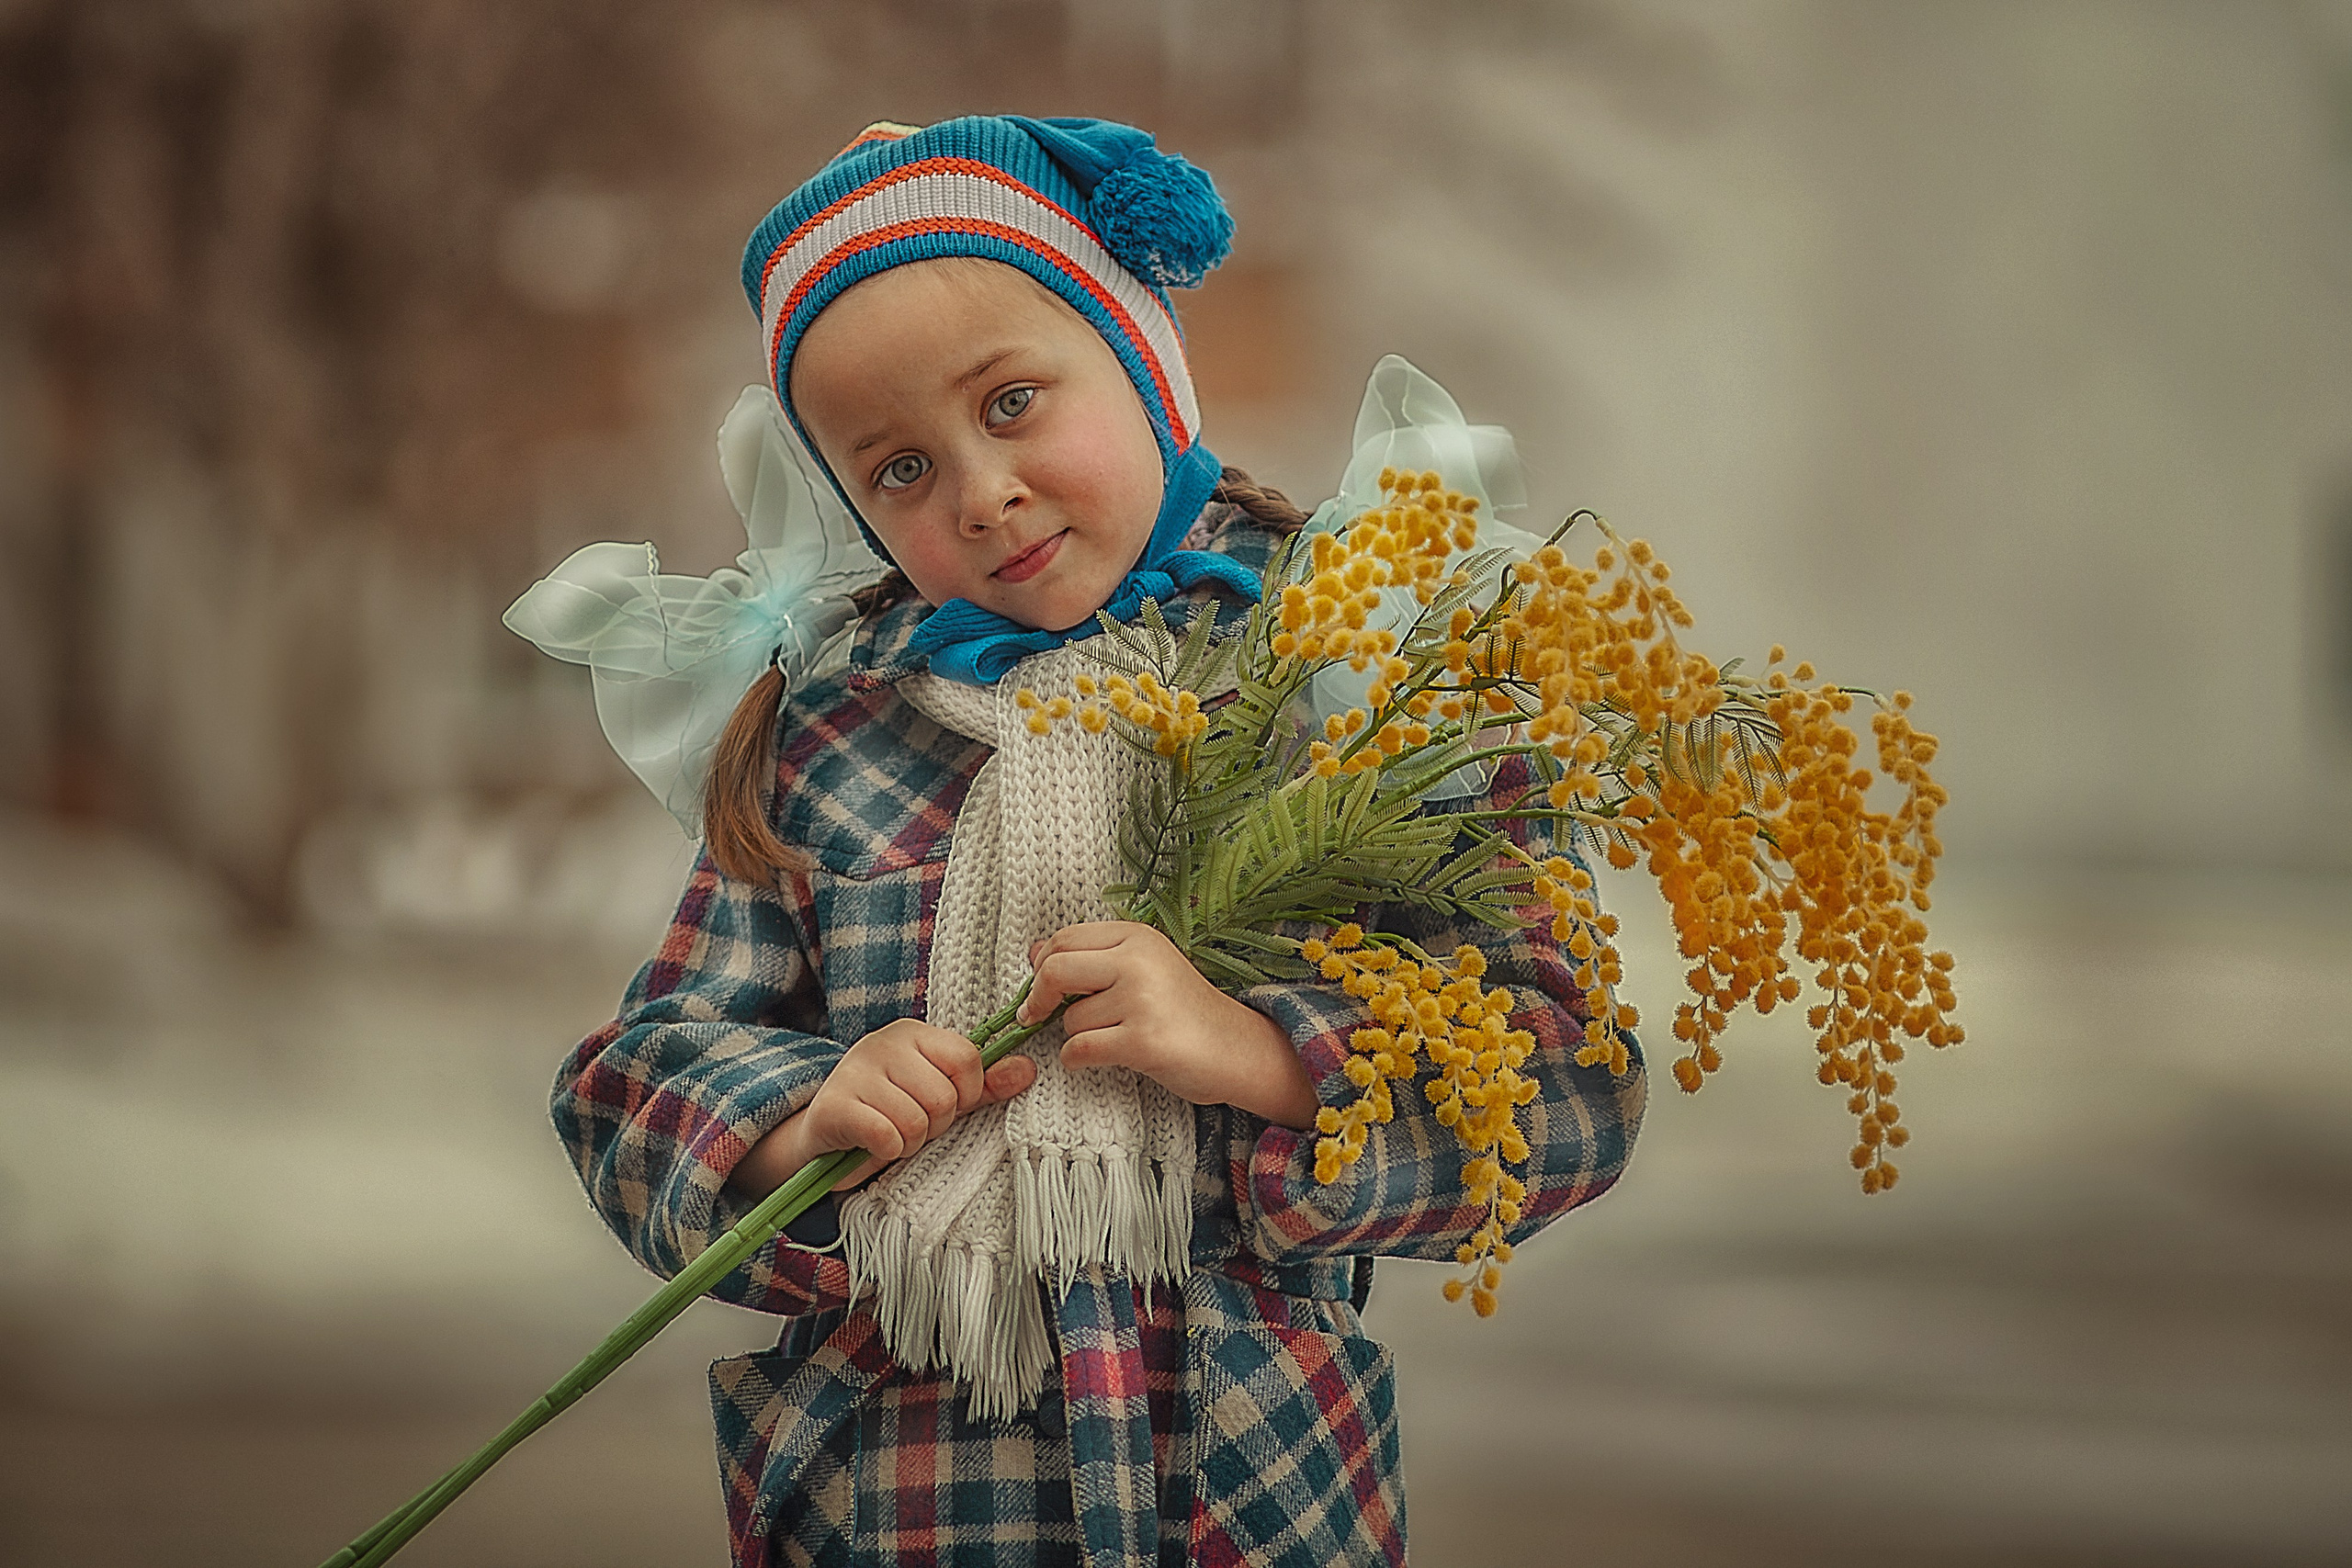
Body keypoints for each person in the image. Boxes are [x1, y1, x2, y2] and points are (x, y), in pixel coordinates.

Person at [515, 115, 1645, 1568]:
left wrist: (1258, 1050)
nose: (980, 492)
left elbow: (1570, 1086)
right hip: (899, 1503)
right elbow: (624, 1098)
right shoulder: (829, 735)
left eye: (1012, 403)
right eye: (899, 471)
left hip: (1250, 1496)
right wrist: (804, 1120)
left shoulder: (1348, 675)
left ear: (1146, 361)